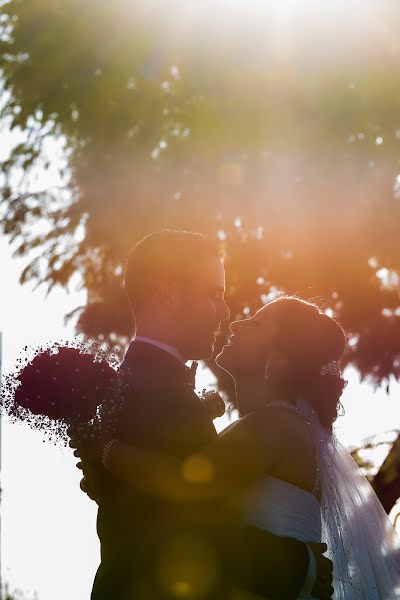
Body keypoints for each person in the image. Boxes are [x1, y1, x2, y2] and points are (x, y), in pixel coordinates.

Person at [77, 295, 400, 598]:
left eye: (256, 324)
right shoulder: (269, 425)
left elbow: (183, 482)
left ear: (278, 358)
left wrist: (104, 450)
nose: (235, 324)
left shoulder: (276, 425)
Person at [73, 230, 333, 599]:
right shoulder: (154, 391)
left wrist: (103, 460)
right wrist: (301, 565)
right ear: (167, 295)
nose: (228, 314)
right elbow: (189, 523)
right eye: (214, 295)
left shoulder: (144, 387)